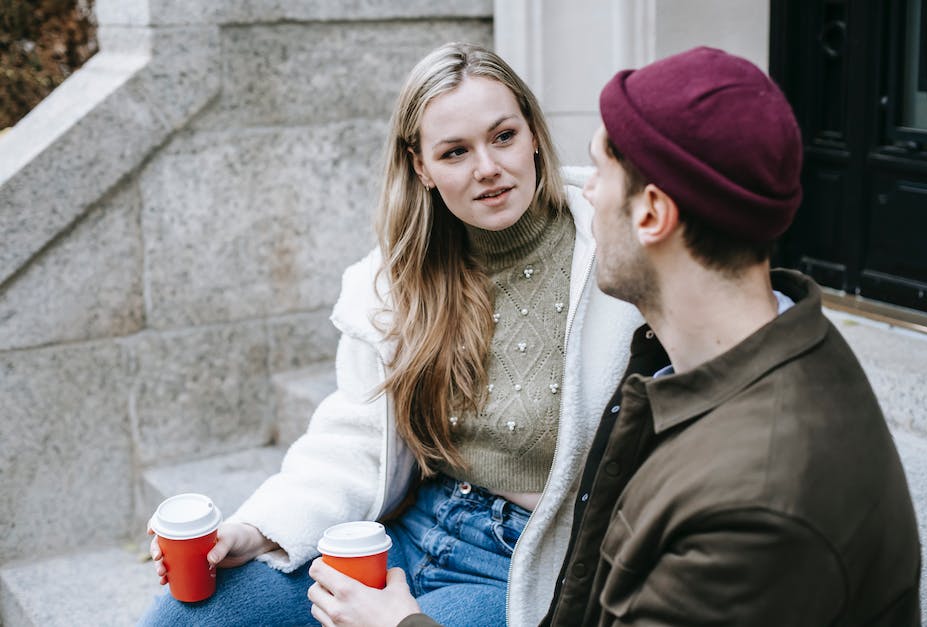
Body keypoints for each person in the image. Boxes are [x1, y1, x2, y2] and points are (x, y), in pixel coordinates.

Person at [314, 46, 923, 627]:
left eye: (601, 171)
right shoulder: (706, 359)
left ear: (652, 215)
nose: (582, 191)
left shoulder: (754, 500)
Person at [139, 42, 642, 627]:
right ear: (421, 166)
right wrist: (254, 529)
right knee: (190, 616)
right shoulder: (396, 279)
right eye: (455, 151)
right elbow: (353, 437)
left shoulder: (614, 250)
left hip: (524, 564)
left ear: (533, 132)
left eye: (503, 136)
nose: (487, 167)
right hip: (402, 536)